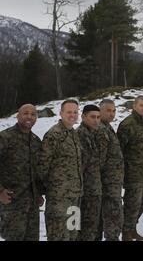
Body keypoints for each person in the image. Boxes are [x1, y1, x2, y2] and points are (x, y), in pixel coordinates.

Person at [38, 99, 83, 241]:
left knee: (73, 234)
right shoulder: (54, 135)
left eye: (75, 112)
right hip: (59, 199)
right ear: (61, 113)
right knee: (59, 236)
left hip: (75, 196)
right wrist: (46, 190)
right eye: (69, 112)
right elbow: (42, 166)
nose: (72, 115)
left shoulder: (74, 134)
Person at [0, 104, 44, 241]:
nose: (29, 117)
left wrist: (38, 192)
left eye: (33, 114)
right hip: (12, 202)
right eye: (25, 113)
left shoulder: (36, 141)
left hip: (32, 204)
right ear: (18, 115)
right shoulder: (5, 137)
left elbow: (36, 170)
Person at [117, 95, 143, 241]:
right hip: (133, 174)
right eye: (141, 105)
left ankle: (132, 230)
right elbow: (119, 150)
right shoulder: (127, 124)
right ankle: (126, 234)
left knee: (142, 204)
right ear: (134, 106)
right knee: (132, 205)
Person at [98, 99, 124, 240]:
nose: (112, 114)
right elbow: (99, 160)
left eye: (114, 111)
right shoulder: (100, 129)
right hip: (106, 183)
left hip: (114, 182)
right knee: (112, 215)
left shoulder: (107, 127)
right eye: (108, 110)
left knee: (114, 215)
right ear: (100, 111)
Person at [77, 105, 103, 241]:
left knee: (95, 228)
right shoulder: (80, 135)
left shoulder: (94, 134)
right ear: (83, 117)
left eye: (98, 117)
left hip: (95, 190)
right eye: (92, 117)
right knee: (85, 230)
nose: (96, 120)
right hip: (85, 193)